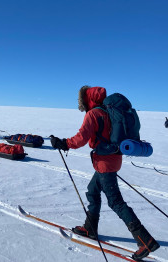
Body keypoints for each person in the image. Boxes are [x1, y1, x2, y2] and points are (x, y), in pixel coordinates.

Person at [50, 86, 160, 261]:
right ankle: (90, 228)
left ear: (87, 99)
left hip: (104, 162)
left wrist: (63, 143)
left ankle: (144, 240)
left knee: (116, 202)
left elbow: (81, 139)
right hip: (114, 159)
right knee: (92, 190)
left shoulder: (94, 114)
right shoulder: (110, 112)